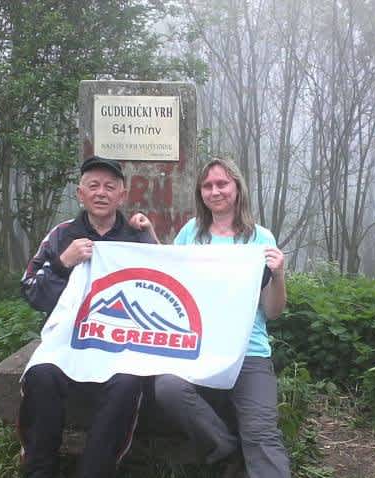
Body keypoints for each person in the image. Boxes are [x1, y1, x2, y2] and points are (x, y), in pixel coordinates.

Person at [130, 158, 290, 478]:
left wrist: (279, 274)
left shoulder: (260, 239)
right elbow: (170, 277)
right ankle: (226, 448)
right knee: (168, 389)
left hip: (249, 352)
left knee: (261, 434)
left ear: (237, 188)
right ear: (201, 192)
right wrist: (149, 234)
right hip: (198, 348)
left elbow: (272, 311)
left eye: (222, 184)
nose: (215, 191)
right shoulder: (192, 232)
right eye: (208, 186)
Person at [19, 156, 155, 478]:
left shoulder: (135, 235)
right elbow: (31, 293)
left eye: (110, 187)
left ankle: (95, 470)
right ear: (80, 193)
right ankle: (40, 469)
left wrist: (150, 236)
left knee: (127, 382)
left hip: (121, 345)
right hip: (67, 340)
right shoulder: (61, 235)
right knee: (40, 375)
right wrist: (63, 263)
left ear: (122, 194)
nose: (101, 193)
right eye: (93, 186)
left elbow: (159, 289)